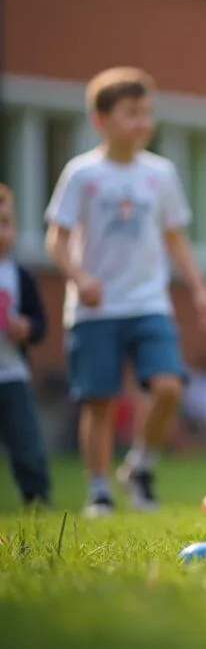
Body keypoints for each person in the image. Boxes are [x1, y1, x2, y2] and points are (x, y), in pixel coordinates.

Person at [45, 67, 206, 516]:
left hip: (149, 304)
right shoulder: (82, 174)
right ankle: (99, 489)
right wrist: (79, 278)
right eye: (132, 114)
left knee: (168, 388)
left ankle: (140, 464)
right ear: (101, 120)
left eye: (147, 113)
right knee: (99, 402)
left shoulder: (160, 174)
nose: (143, 123)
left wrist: (200, 289)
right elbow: (56, 238)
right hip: (95, 310)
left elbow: (175, 239)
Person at [0, 183, 51, 507]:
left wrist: (28, 328)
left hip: (12, 374)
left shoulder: (20, 275)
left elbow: (40, 323)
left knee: (26, 442)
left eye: (5, 222)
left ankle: (36, 498)